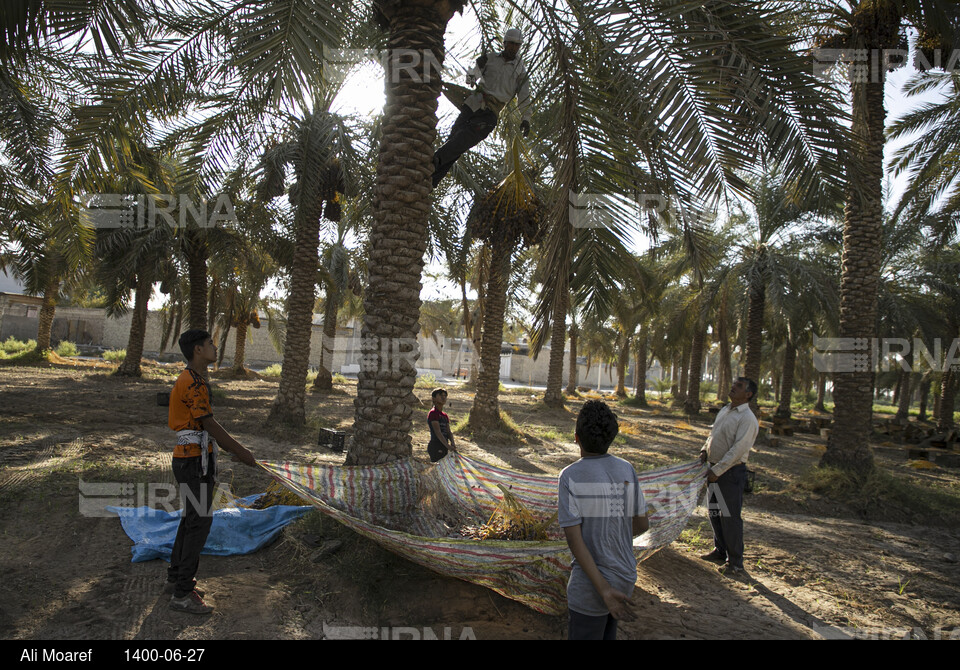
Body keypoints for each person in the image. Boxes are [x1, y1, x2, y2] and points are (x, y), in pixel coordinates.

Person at [165, 329, 258, 614]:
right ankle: (181, 594)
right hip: (193, 463)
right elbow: (210, 425)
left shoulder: (193, 379)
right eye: (210, 344)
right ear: (197, 350)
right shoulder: (194, 383)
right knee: (199, 523)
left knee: (191, 519)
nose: (215, 347)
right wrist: (240, 451)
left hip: (193, 459)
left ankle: (178, 579)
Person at [558, 400, 649, 640]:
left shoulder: (570, 476)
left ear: (576, 437)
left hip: (592, 586)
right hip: (625, 577)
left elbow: (575, 542)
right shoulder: (626, 470)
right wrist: (612, 534)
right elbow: (641, 524)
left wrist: (604, 591)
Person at [432, 27, 532, 188]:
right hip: (473, 104)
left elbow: (524, 97)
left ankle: (433, 162)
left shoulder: (520, 71)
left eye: (517, 45)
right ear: (505, 43)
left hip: (490, 112)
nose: (513, 47)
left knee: (462, 140)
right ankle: (432, 180)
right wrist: (477, 67)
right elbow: (470, 80)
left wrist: (526, 118)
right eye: (511, 44)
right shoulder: (490, 58)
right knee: (455, 141)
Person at [698, 377, 759, 576]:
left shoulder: (747, 419)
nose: (733, 387)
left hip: (730, 473)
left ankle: (735, 563)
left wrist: (718, 470)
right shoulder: (726, 410)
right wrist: (704, 450)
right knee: (714, 512)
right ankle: (720, 550)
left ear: (748, 394)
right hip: (714, 468)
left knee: (730, 517)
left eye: (739, 386)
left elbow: (737, 450)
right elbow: (713, 434)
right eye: (734, 384)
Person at [427, 387, 455, 463]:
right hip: (436, 445)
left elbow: (448, 432)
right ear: (434, 398)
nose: (443, 397)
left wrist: (452, 443)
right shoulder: (433, 413)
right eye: (440, 395)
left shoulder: (444, 415)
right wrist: (448, 446)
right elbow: (438, 432)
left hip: (444, 446)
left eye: (445, 396)